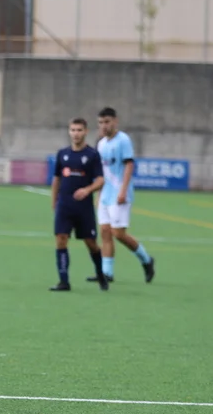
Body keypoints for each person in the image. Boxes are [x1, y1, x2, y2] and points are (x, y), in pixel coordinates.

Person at [92, 107, 155, 283]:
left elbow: (129, 165)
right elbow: (102, 172)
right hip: (105, 195)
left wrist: (123, 190)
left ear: (115, 121)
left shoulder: (123, 140)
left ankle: (146, 260)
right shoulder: (101, 143)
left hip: (119, 194)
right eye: (100, 122)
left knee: (118, 233)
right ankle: (107, 273)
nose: (104, 126)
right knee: (105, 232)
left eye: (107, 122)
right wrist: (98, 194)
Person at [50, 118, 108, 292]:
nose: (76, 134)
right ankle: (64, 281)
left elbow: (100, 180)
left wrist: (87, 190)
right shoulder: (62, 154)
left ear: (86, 132)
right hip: (64, 206)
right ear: (69, 132)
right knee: (61, 239)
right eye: (73, 130)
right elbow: (57, 179)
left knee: (91, 243)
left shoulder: (92, 155)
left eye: (79, 130)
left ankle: (100, 274)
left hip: (83, 208)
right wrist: (54, 201)